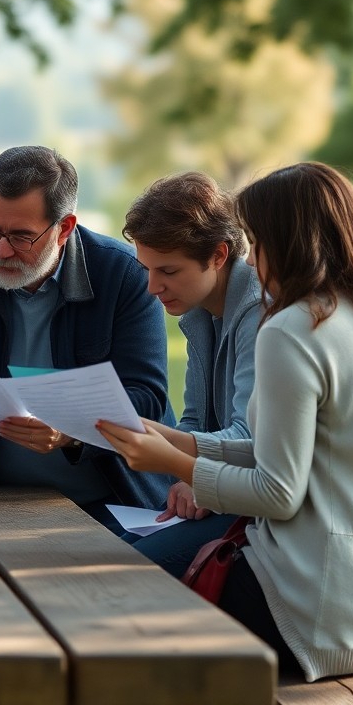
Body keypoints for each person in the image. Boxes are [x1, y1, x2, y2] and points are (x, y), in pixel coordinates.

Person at [98, 161, 353, 681]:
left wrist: (175, 462)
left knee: (111, 602)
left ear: (289, 240)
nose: (251, 259)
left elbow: (277, 492)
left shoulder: (290, 329)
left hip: (310, 605)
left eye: (255, 240)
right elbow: (282, 453)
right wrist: (181, 442)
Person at [0, 145, 175, 531]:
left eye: (21, 236)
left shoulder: (125, 276)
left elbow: (147, 399)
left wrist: (72, 430)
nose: (1, 250)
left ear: (64, 228)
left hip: (113, 503)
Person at [119, 171, 263, 576]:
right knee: (111, 548)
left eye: (167, 271)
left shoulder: (259, 311)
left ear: (218, 255)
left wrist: (193, 474)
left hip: (258, 507)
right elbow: (196, 421)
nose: (152, 287)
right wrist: (189, 480)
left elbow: (248, 437)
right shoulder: (199, 311)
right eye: (146, 270)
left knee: (134, 566)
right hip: (218, 492)